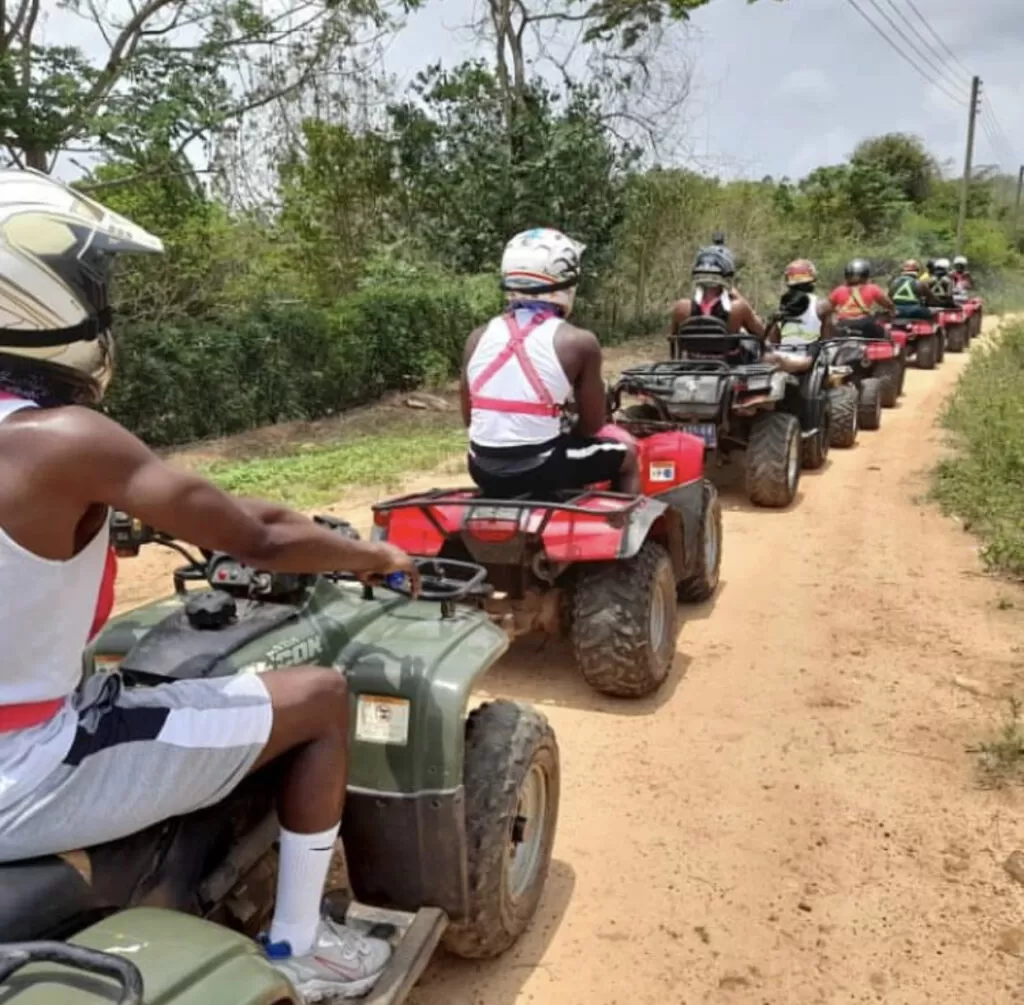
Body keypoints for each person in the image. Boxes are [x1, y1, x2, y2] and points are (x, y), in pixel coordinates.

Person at [0, 169, 420, 1002]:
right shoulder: (62, 440)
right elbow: (256, 537)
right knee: (323, 696)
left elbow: (208, 503)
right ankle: (305, 945)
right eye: (97, 285)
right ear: (43, 294)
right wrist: (374, 557)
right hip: (28, 768)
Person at [460, 228, 639, 498]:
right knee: (628, 456)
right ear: (566, 283)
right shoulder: (579, 342)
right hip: (543, 468)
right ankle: (625, 533)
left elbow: (469, 418)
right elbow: (592, 426)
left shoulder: (477, 337)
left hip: (481, 466)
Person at [670, 246, 765, 338]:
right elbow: (761, 333)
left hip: (694, 354)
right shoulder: (739, 308)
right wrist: (741, 299)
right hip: (729, 354)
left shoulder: (681, 307)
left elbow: (673, 337)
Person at [770, 259, 835, 344]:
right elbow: (826, 341)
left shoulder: (782, 306)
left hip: (784, 354)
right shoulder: (822, 306)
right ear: (812, 279)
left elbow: (773, 343)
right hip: (812, 355)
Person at [828, 258, 893, 339]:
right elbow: (887, 304)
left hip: (843, 325)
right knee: (889, 336)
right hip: (865, 325)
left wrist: (836, 312)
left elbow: (827, 308)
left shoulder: (838, 290)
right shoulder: (872, 288)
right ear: (865, 274)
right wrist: (892, 310)